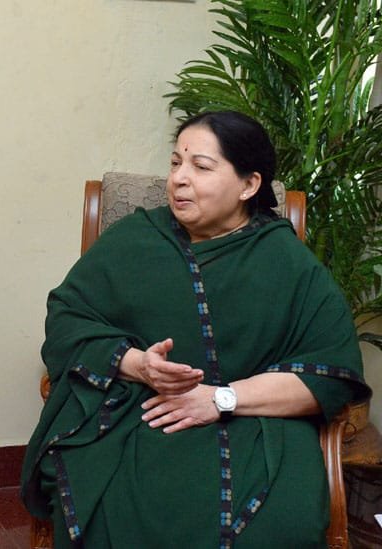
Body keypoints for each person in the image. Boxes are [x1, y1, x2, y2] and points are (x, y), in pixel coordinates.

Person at [21, 111, 371, 548]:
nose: (178, 180)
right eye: (174, 163)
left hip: (257, 422)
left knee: (280, 524)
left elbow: (330, 376)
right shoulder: (134, 238)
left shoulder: (288, 263)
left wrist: (222, 399)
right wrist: (137, 365)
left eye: (201, 167)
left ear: (249, 185)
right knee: (116, 507)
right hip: (144, 413)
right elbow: (67, 318)